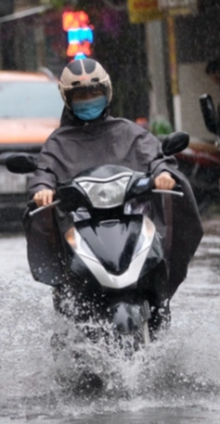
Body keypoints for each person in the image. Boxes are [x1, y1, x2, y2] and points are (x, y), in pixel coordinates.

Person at [27, 58, 202, 332]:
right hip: (81, 224)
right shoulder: (57, 143)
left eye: (93, 93)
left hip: (129, 217)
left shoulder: (129, 132)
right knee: (67, 276)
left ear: (106, 93)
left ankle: (158, 302)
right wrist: (42, 190)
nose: (89, 100)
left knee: (157, 251)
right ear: (67, 99)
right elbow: (44, 171)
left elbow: (155, 156)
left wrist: (163, 174)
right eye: (81, 95)